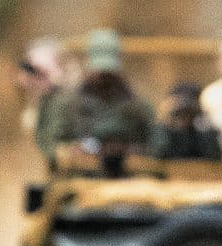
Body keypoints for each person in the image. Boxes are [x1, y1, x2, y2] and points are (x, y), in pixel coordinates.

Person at [36, 29, 155, 172]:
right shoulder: (67, 105)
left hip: (131, 181)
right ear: (87, 63)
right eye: (99, 70)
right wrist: (73, 150)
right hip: (80, 178)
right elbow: (49, 145)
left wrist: (131, 150)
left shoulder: (138, 106)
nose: (104, 76)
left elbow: (156, 143)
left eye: (108, 71)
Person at [151, 81, 222, 163]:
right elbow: (158, 154)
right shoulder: (165, 129)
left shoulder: (203, 130)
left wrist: (203, 123)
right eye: (178, 112)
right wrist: (165, 122)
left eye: (188, 112)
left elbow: (213, 158)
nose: (183, 115)